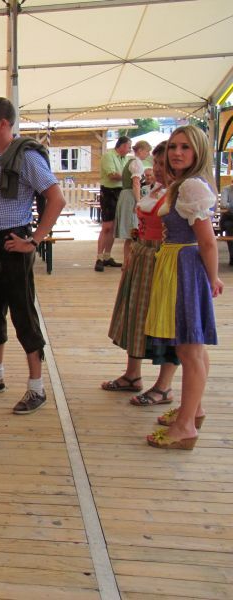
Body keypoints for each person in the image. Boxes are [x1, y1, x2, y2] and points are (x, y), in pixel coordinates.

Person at [0, 97, 66, 416]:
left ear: (4, 124)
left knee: (23, 315)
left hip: (13, 241)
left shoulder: (27, 156)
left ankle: (37, 388)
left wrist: (34, 240)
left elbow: (56, 198)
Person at [145, 125, 222, 450]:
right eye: (174, 146)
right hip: (179, 264)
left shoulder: (190, 186)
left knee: (188, 349)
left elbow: (207, 241)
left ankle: (186, 426)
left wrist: (211, 278)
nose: (176, 153)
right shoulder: (184, 183)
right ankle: (194, 411)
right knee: (194, 347)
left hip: (184, 268)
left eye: (185, 147)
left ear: (198, 152)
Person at [104, 142, 178, 407]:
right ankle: (132, 375)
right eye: (155, 163)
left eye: (163, 164)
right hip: (143, 256)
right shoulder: (157, 189)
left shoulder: (180, 194)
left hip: (163, 260)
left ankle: (164, 386)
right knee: (135, 315)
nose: (156, 169)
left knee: (164, 320)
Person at [95, 136, 131, 271]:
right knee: (107, 226)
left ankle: (107, 256)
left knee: (114, 226)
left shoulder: (126, 159)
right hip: (109, 191)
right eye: (128, 147)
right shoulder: (108, 156)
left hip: (121, 191)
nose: (129, 150)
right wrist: (130, 176)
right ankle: (99, 258)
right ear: (122, 145)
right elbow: (112, 175)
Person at [114, 140, 151, 267]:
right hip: (131, 196)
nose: (148, 154)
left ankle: (127, 262)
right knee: (133, 230)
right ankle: (129, 263)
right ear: (140, 150)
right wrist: (138, 201)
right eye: (147, 151)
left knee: (131, 236)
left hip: (126, 194)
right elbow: (136, 183)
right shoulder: (136, 163)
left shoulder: (131, 161)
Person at [218, 183, 233, 265]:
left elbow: (226, 205)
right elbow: (223, 204)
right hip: (229, 217)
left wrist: (229, 206)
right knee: (229, 226)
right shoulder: (226, 190)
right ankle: (232, 257)